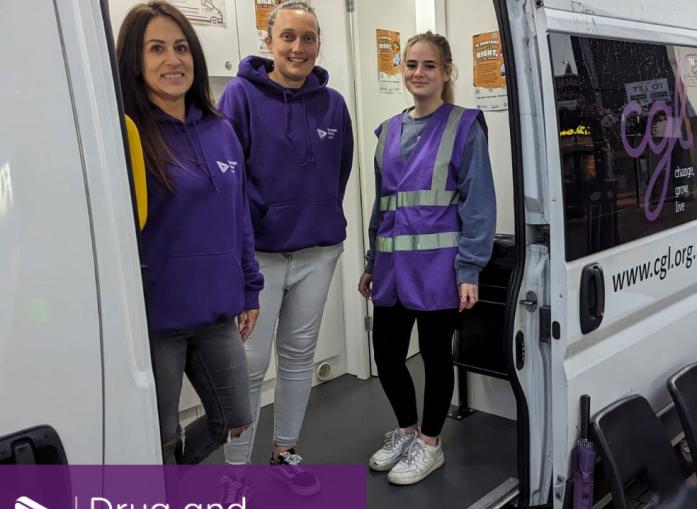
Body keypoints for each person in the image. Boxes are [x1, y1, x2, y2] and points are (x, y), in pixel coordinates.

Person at [116, 1, 263, 465]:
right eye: (155, 48)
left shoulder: (220, 130)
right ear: (135, 62)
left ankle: (176, 474)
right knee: (157, 432)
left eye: (180, 47)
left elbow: (238, 215)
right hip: (156, 317)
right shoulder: (126, 133)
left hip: (217, 310)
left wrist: (250, 287)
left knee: (235, 415)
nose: (172, 60)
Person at [217, 0, 353, 494]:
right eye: (289, 37)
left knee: (298, 356)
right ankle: (236, 470)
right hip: (260, 257)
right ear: (269, 42)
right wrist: (261, 226)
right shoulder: (239, 96)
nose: (299, 47)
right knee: (249, 367)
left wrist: (315, 216)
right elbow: (228, 178)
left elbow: (340, 170)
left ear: (319, 43)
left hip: (318, 252)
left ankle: (284, 452)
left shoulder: (333, 103)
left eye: (309, 37)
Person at [358, 31, 496, 485]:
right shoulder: (388, 131)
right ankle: (406, 429)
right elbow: (383, 204)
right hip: (391, 270)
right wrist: (369, 260)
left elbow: (478, 204)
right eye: (411, 65)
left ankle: (431, 443)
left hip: (441, 271)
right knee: (388, 356)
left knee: (437, 357)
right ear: (402, 70)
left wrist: (470, 268)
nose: (419, 73)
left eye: (429, 66)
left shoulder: (464, 125)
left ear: (446, 72)